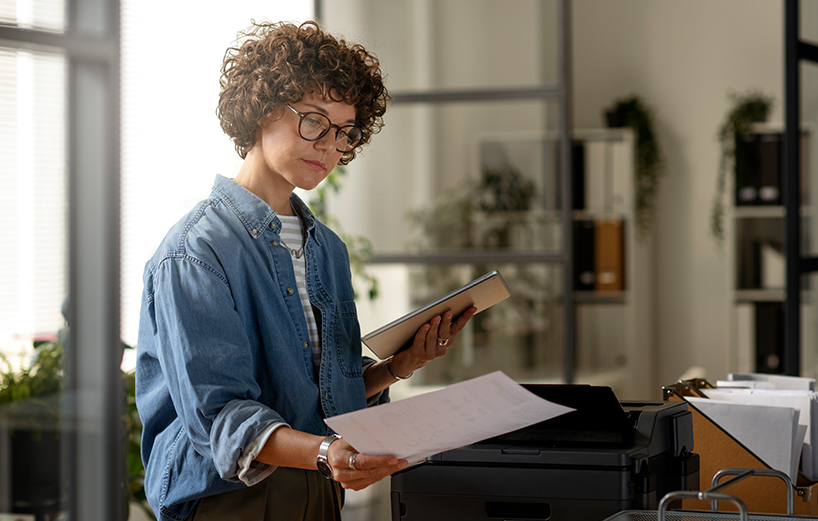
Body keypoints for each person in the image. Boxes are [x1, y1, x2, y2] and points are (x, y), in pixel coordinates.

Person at [135, 20, 476, 521]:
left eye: (343, 132)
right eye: (313, 121)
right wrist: (323, 453)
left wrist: (399, 366)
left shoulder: (327, 250)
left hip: (318, 488)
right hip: (230, 500)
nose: (329, 146)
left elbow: (318, 396)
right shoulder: (194, 252)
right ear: (260, 108)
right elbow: (221, 419)